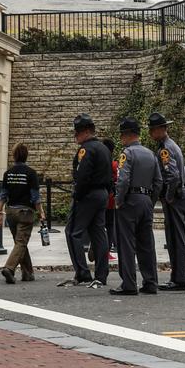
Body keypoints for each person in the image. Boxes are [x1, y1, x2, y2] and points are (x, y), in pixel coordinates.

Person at [110, 118, 161, 296]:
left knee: (126, 243)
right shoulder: (151, 154)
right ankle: (151, 282)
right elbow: (158, 181)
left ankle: (129, 284)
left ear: (127, 134)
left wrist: (119, 200)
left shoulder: (127, 153)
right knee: (146, 243)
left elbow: (123, 180)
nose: (121, 139)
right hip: (146, 199)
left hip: (130, 200)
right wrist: (150, 200)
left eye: (122, 135)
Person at [62, 113, 112, 288]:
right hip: (102, 194)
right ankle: (101, 274)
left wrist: (77, 195)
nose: (75, 136)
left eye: (77, 132)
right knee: (98, 234)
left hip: (88, 195)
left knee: (72, 232)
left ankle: (82, 272)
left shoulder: (86, 149)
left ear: (85, 132)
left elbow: (82, 175)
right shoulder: (104, 148)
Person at [148, 112, 185, 291]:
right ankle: (177, 277)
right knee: (175, 238)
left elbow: (173, 176)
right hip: (178, 197)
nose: (150, 133)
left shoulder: (165, 149)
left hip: (175, 198)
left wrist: (169, 196)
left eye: (152, 130)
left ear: (160, 129)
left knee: (175, 239)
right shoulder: (170, 145)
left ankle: (179, 279)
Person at [0, 143, 43, 284]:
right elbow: (35, 197)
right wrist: (41, 212)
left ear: (14, 155)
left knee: (20, 243)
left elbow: (3, 195)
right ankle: (9, 268)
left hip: (11, 212)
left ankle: (27, 273)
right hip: (25, 212)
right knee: (21, 242)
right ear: (26, 155)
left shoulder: (8, 173)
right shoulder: (31, 173)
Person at [102, 137, 118, 256]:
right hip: (112, 198)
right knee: (110, 224)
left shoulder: (104, 163)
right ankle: (108, 247)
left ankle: (104, 248)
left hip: (104, 197)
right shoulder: (114, 164)